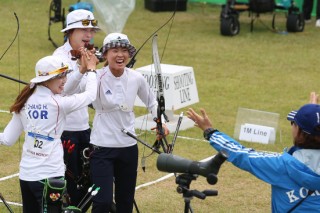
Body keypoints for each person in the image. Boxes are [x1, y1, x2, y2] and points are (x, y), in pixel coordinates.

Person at [0, 54, 97, 213]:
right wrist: (92, 70)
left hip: (27, 176)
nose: (64, 80)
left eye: (65, 74)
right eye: (60, 76)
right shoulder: (59, 103)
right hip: (50, 177)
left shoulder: (24, 101)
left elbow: (7, 139)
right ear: (46, 79)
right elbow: (90, 95)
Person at [89, 32, 169, 212]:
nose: (120, 55)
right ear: (106, 54)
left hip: (128, 147)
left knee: (125, 202)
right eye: (115, 50)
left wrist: (160, 122)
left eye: (124, 50)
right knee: (101, 202)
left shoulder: (136, 77)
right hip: (102, 148)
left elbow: (152, 102)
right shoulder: (96, 76)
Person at [187, 105, 320, 212]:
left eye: (294, 123)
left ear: (300, 133)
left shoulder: (281, 165)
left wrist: (210, 131)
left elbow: (241, 154)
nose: (292, 126)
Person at [52, 9, 99, 211]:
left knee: (89, 179)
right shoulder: (58, 56)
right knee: (70, 181)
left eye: (91, 30)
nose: (88, 35)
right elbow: (64, 91)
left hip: (84, 127)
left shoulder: (90, 54)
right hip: (65, 129)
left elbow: (91, 92)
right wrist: (82, 70)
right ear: (70, 32)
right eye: (83, 29)